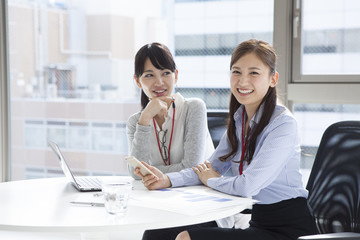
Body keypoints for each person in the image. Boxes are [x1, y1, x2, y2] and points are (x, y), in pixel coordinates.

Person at [135, 39, 318, 240]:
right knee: (156, 236)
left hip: (290, 231)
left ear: (273, 79)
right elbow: (206, 168)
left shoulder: (283, 124)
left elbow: (247, 185)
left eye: (254, 73)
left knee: (186, 238)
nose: (243, 81)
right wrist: (166, 180)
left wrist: (213, 179)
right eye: (237, 72)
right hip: (258, 224)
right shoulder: (240, 120)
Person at [126, 42, 214, 179]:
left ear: (176, 76)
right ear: (137, 81)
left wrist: (149, 172)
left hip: (196, 195)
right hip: (158, 196)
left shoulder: (194, 108)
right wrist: (145, 118)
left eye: (166, 73)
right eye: (149, 75)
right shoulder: (135, 122)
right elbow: (136, 173)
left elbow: (191, 168)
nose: (159, 82)